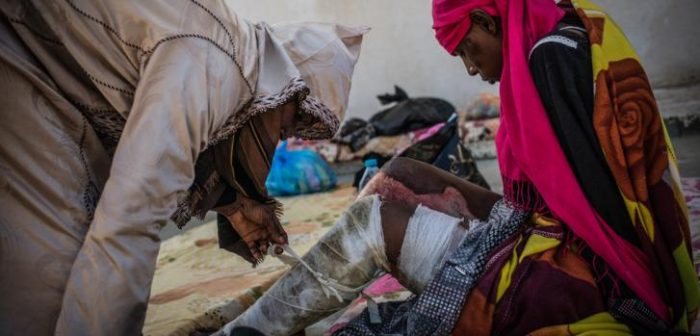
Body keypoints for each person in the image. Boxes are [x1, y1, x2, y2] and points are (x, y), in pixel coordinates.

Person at [217, 0, 698, 335]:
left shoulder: (548, 59)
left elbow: (599, 217)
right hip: (557, 232)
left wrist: (492, 251)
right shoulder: (565, 28)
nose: (470, 67)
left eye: (469, 47)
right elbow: (554, 196)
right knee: (400, 173)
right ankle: (315, 282)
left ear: (489, 19)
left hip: (588, 274)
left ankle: (248, 331)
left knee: (373, 222)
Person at [0, 0, 367, 334]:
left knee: (54, 276)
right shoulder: (213, 66)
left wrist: (234, 205)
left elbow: (172, 152)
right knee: (57, 282)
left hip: (38, 66)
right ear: (289, 88)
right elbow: (131, 217)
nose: (284, 136)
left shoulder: (231, 59)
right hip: (22, 55)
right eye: (290, 123)